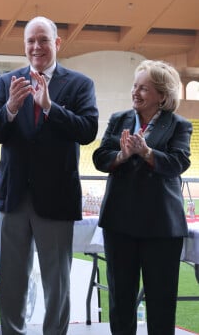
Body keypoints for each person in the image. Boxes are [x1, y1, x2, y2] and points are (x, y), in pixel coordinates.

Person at [0, 16, 99, 335]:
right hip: (13, 197)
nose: (36, 47)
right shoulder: (7, 82)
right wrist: (9, 108)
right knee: (10, 282)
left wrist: (50, 107)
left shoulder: (79, 84)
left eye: (43, 40)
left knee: (57, 283)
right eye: (30, 41)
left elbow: (88, 131)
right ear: (24, 46)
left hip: (56, 197)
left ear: (57, 43)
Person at [92, 59, 192, 335]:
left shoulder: (179, 125)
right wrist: (121, 155)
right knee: (121, 300)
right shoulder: (119, 119)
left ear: (162, 95)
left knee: (161, 301)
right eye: (135, 86)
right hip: (119, 223)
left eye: (144, 88)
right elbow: (100, 157)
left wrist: (147, 153)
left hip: (161, 227)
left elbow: (178, 163)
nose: (135, 92)